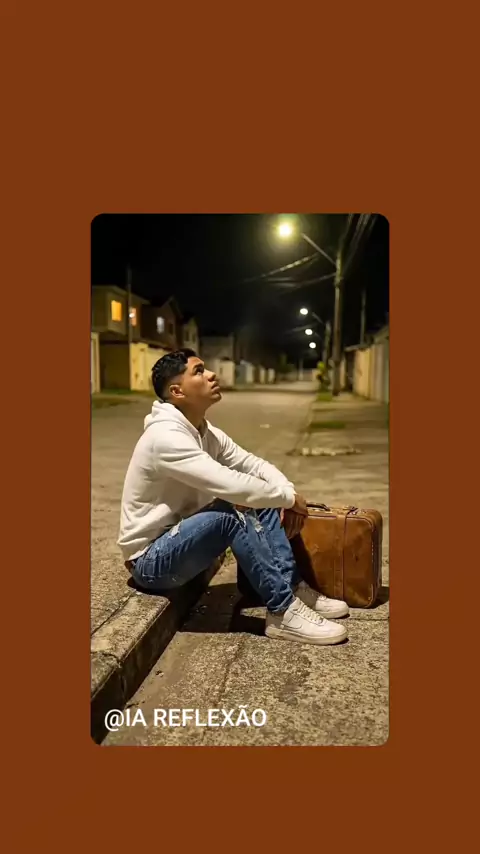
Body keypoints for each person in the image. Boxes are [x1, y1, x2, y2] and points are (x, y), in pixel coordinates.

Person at [118, 349, 348, 646]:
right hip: (151, 562)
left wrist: (287, 493)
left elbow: (253, 465)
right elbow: (231, 485)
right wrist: (288, 501)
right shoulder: (165, 438)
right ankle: (283, 613)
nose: (211, 374)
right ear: (177, 391)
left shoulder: (204, 431)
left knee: (259, 495)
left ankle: (291, 587)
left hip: (184, 544)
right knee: (235, 506)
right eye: (198, 371)